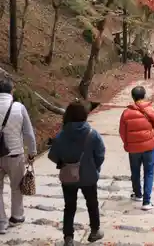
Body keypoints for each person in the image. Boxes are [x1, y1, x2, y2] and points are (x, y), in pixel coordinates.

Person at [48, 102, 105, 246]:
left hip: (68, 176)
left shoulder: (61, 135)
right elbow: (100, 154)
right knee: (92, 203)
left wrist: (62, 162)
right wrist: (95, 167)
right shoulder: (93, 134)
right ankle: (95, 231)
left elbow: (52, 155)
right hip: (89, 176)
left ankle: (68, 237)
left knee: (69, 206)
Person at [0, 69, 37, 235]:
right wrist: (32, 152)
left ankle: (1, 223)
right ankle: (16, 216)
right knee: (16, 187)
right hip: (15, 155)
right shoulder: (19, 107)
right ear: (11, 91)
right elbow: (28, 133)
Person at [119, 86, 154, 211]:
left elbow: (122, 132)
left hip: (133, 149)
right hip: (149, 147)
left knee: (135, 171)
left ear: (133, 97)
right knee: (149, 172)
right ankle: (146, 202)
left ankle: (138, 194)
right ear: (144, 96)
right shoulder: (151, 110)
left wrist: (128, 143)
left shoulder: (126, 113)